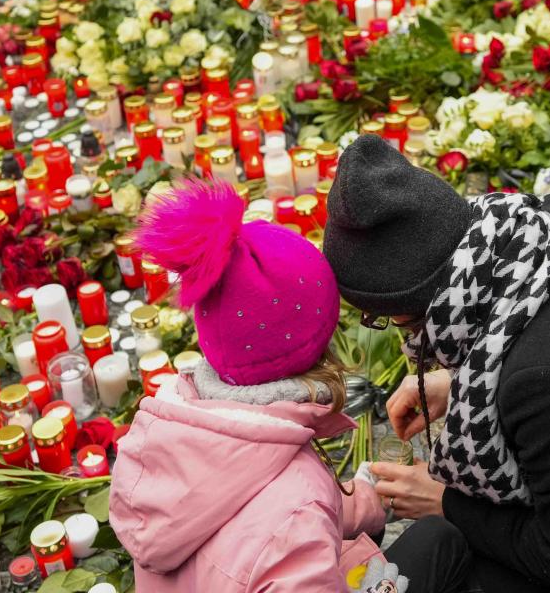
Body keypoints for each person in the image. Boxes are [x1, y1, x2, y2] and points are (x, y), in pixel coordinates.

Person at [322, 134, 550, 593]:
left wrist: (447, 503)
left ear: (422, 305)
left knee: (437, 551)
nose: (398, 333)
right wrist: (462, 379)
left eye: (380, 318)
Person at [109, 179, 396, 592]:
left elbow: (254, 505)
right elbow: (290, 516)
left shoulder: (170, 417)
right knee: (439, 545)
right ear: (320, 344)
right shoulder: (299, 502)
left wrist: (365, 500)